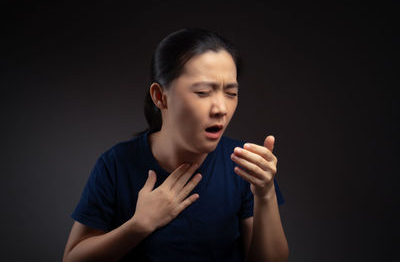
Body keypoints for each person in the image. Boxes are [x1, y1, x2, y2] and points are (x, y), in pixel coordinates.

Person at [63, 28, 289, 262]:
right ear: (160, 96)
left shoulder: (245, 164)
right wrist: (139, 225)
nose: (221, 108)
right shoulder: (116, 164)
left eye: (231, 93)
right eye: (202, 92)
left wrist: (265, 194)